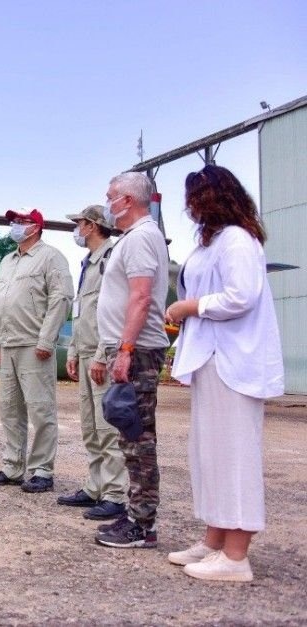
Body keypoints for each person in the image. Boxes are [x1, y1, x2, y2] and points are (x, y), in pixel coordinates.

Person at [164, 164, 284, 582]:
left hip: (235, 360)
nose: (190, 207)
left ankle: (236, 558)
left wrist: (188, 307)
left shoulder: (237, 240)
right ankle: (215, 540)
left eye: (196, 198)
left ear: (214, 198)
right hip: (212, 358)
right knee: (210, 454)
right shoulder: (212, 243)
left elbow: (241, 295)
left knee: (234, 456)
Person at [91, 172, 170, 549]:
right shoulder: (134, 238)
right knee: (129, 436)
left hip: (136, 351)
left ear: (127, 200)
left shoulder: (140, 238)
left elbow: (140, 297)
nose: (108, 202)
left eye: (110, 196)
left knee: (139, 439)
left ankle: (143, 524)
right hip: (128, 348)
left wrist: (124, 350)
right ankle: (136, 511)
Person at [0, 209, 73, 492]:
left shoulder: (51, 257)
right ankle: (12, 467)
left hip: (33, 345)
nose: (14, 226)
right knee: (10, 410)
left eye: (21, 222)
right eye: (13, 222)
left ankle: (43, 471)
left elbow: (61, 298)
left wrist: (47, 340)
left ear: (36, 227)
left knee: (40, 410)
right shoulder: (7, 261)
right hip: (8, 343)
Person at [58, 205, 129, 520]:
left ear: (93, 226)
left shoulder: (111, 260)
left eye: (80, 223)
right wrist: (73, 350)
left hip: (102, 353)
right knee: (90, 426)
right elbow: (82, 312)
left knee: (106, 427)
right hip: (85, 350)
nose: (77, 229)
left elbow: (113, 313)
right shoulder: (88, 263)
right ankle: (95, 487)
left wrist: (102, 355)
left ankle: (115, 494)